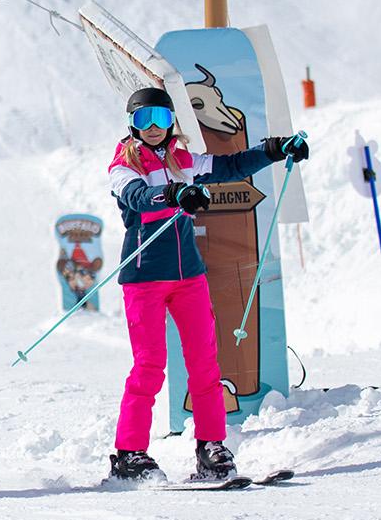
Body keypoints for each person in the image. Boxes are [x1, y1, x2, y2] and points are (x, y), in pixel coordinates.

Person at [107, 87, 309, 483]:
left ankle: (211, 447)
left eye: (161, 120)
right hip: (145, 278)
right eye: (144, 119)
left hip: (189, 278)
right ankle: (130, 453)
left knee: (205, 364)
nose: (152, 128)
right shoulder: (122, 166)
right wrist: (173, 193)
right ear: (132, 124)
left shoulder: (183, 160)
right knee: (150, 366)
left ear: (171, 124)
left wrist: (276, 149)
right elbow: (139, 198)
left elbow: (232, 166)